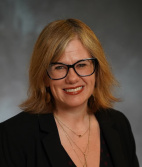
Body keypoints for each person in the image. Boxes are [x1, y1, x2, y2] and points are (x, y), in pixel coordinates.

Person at [0, 18, 139, 167]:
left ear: (97, 71)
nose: (72, 78)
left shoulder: (118, 124)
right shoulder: (12, 136)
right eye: (59, 67)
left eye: (81, 65)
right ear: (44, 76)